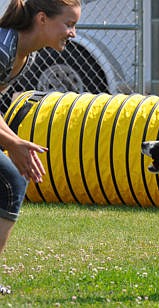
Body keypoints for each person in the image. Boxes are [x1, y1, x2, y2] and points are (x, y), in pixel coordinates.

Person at [0, 0, 81, 294]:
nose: (72, 33)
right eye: (69, 24)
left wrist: (16, 144)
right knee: (10, 180)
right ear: (43, 19)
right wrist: (13, 143)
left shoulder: (27, 57)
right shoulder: (2, 49)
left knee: (11, 181)